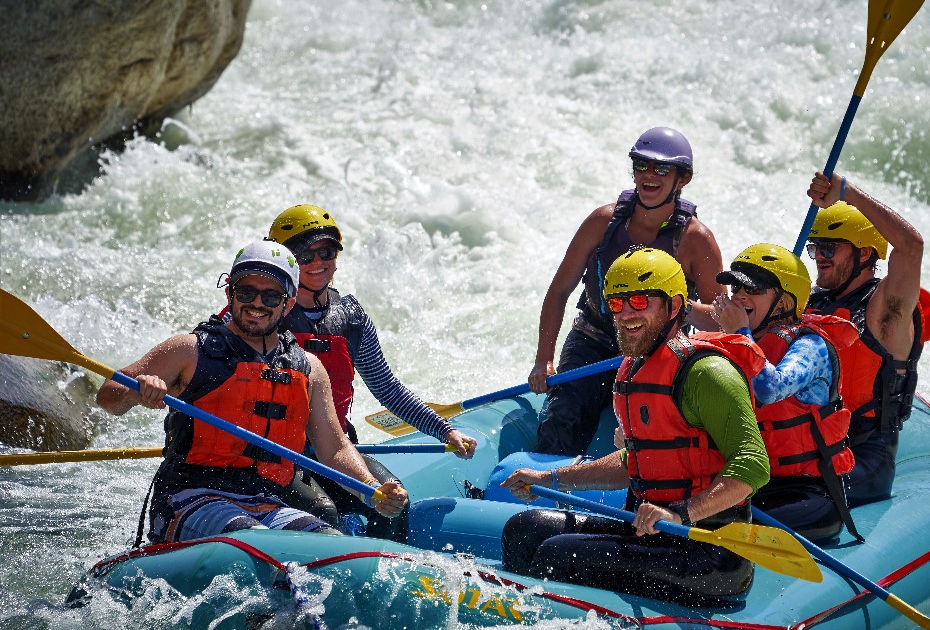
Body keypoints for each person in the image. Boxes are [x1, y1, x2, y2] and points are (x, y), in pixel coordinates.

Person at [501, 248, 770, 606]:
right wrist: (549, 479)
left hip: (711, 551)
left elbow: (753, 467)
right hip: (652, 534)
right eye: (617, 304)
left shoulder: (708, 373)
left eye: (640, 301)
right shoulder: (635, 369)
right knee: (524, 529)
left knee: (558, 554)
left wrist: (679, 513)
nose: (626, 314)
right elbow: (638, 462)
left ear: (674, 307)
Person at [96, 241, 408, 544]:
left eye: (271, 297)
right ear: (230, 292)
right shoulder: (189, 350)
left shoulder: (308, 369)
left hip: (265, 499)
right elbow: (108, 396)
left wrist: (369, 488)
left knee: (329, 542)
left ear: (288, 303)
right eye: (247, 292)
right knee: (263, 545)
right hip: (189, 497)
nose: (257, 304)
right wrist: (137, 392)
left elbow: (335, 449)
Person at [264, 204, 477, 535]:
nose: (318, 263)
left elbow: (387, 388)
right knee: (323, 513)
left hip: (335, 448)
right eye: (305, 255)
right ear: (284, 259)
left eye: (327, 252)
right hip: (276, 451)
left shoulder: (350, 317)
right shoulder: (264, 310)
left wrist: (444, 430)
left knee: (394, 504)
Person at [529, 127, 725, 456]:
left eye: (662, 169)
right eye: (641, 165)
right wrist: (543, 360)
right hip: (593, 341)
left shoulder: (696, 240)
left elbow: (721, 321)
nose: (649, 176)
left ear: (683, 179)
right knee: (559, 425)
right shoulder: (602, 221)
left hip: (658, 350)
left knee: (657, 438)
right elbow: (560, 289)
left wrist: (673, 305)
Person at [804, 173, 930, 506]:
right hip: (811, 443)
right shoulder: (812, 300)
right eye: (815, 247)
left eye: (829, 247)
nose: (820, 256)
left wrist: (847, 193)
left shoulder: (885, 311)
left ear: (865, 254)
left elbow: (911, 248)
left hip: (865, 456)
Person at [713, 244, 862, 542]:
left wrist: (740, 334)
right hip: (750, 484)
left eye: (751, 289)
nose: (739, 296)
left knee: (712, 521)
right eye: (736, 287)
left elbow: (770, 388)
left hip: (808, 495)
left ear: (781, 304)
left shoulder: (811, 347)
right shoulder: (739, 342)